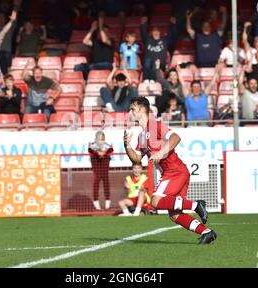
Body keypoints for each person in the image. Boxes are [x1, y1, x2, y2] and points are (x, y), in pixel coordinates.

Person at [123, 97, 216, 244]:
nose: (130, 112)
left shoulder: (155, 125)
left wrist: (161, 152)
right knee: (175, 215)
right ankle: (207, 232)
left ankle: (196, 205)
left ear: (141, 110)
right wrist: (127, 146)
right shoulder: (142, 136)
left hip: (175, 171)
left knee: (155, 201)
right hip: (176, 173)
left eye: (132, 109)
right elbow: (137, 159)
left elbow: (176, 137)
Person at [140, 16, 178, 80]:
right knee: (147, 61)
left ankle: (152, 80)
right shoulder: (147, 40)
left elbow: (172, 34)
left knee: (154, 63)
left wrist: (173, 24)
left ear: (160, 33)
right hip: (149, 64)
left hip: (161, 64)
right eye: (154, 31)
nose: (156, 33)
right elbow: (143, 33)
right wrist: (143, 24)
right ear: (151, 33)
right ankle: (146, 80)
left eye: (157, 31)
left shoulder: (164, 40)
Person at [88, 131, 114, 210]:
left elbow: (111, 150)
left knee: (106, 181)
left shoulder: (108, 145)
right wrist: (97, 153)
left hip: (104, 166)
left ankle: (107, 199)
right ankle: (95, 200)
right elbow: (90, 150)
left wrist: (104, 154)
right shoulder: (92, 145)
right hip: (96, 166)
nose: (100, 141)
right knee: (96, 182)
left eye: (102, 139)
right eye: (99, 139)